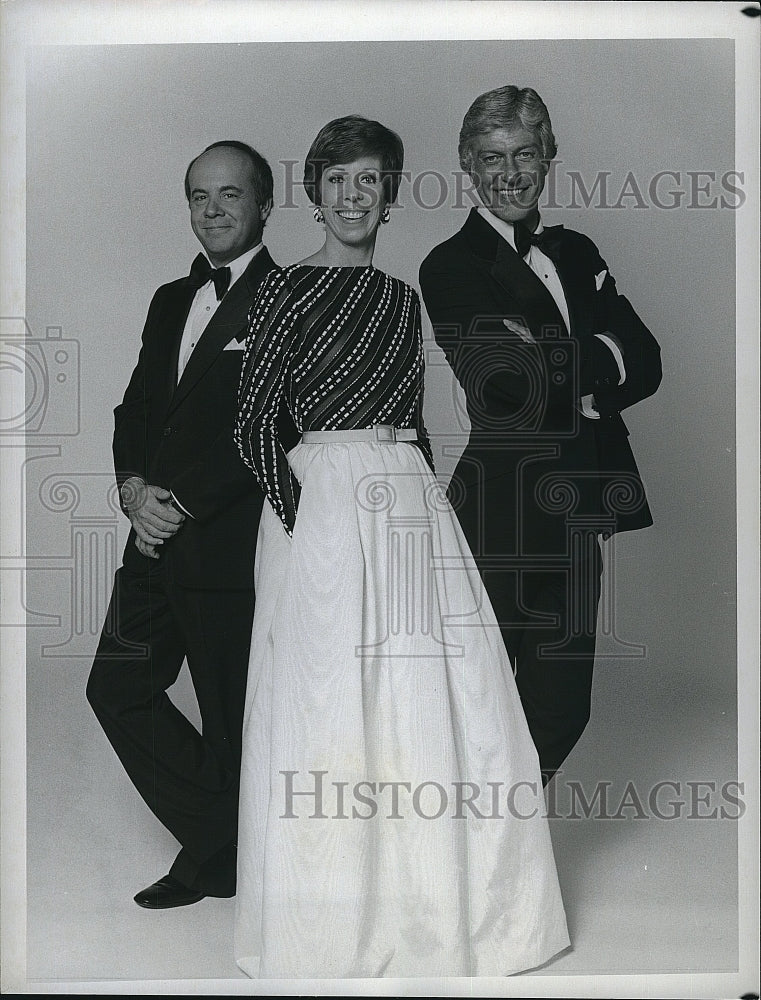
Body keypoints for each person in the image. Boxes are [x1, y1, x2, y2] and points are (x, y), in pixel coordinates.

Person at [233, 115, 569, 978]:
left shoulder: (400, 298)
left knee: (431, 693)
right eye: (339, 179)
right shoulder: (282, 292)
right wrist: (302, 519)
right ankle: (331, 930)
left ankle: (432, 914)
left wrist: (426, 511)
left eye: (372, 179)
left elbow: (415, 423)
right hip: (319, 500)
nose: (355, 195)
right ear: (315, 192)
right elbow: (252, 423)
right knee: (328, 703)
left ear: (390, 194)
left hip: (406, 499)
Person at [419, 86, 662, 784]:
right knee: (480, 695)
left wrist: (556, 356)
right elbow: (505, 380)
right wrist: (593, 361)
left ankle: (494, 853)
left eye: (525, 153)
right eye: (492, 158)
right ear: (467, 165)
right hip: (500, 510)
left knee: (559, 706)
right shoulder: (450, 264)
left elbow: (644, 359)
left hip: (580, 503)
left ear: (548, 157)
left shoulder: (577, 251)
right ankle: (460, 858)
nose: (511, 172)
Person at [86, 140, 292, 909]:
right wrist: (133, 490)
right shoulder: (170, 297)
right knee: (117, 686)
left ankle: (219, 857)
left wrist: (182, 504)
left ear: (264, 204)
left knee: (229, 712)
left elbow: (274, 425)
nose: (212, 210)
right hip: (150, 538)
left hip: (226, 547)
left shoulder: (288, 297)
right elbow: (136, 408)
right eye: (199, 196)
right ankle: (223, 841)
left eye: (230, 194)